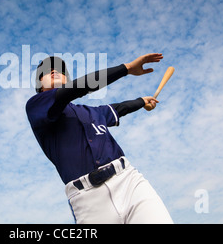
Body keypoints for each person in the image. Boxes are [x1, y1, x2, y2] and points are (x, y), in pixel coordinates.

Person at [25, 53, 173, 224]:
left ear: (66, 78)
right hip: (88, 199)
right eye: (45, 72)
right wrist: (127, 68)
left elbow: (118, 108)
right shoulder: (36, 106)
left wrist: (141, 101)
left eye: (59, 70)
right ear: (39, 84)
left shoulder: (93, 112)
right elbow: (79, 87)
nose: (53, 71)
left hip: (128, 181)